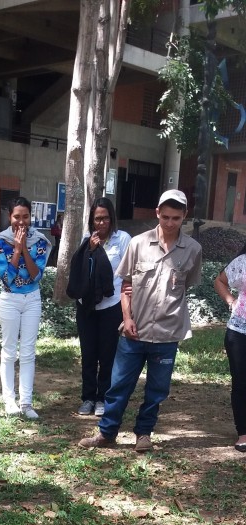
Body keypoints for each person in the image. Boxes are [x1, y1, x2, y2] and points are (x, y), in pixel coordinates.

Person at [79, 189, 202, 453]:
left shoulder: (193, 250)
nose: (170, 223)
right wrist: (127, 317)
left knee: (157, 390)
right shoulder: (138, 243)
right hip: (134, 331)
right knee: (119, 385)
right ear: (157, 212)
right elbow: (126, 284)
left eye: (176, 218)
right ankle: (106, 433)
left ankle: (144, 433)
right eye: (165, 216)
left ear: (184, 216)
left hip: (168, 333)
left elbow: (185, 286)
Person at [0, 196, 51, 418]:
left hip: (32, 299)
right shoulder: (0, 241)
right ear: (10, 217)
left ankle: (26, 403)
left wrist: (25, 248)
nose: (21, 221)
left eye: (25, 216)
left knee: (27, 352)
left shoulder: (41, 242)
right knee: (8, 352)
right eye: (17, 217)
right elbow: (6, 278)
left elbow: (37, 276)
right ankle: (10, 401)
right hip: (10, 299)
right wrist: (16, 250)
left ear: (30, 217)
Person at [72, 197, 130, 417]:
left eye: (105, 218)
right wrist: (90, 250)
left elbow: (127, 273)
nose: (101, 223)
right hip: (86, 305)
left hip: (112, 305)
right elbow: (78, 269)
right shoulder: (86, 238)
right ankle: (87, 397)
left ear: (111, 218)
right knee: (88, 353)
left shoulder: (122, 239)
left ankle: (102, 398)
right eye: (97, 219)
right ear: (91, 220)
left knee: (107, 354)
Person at [213, 243, 246, 451]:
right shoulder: (243, 262)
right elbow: (219, 281)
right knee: (241, 382)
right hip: (240, 331)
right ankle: (243, 432)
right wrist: (230, 300)